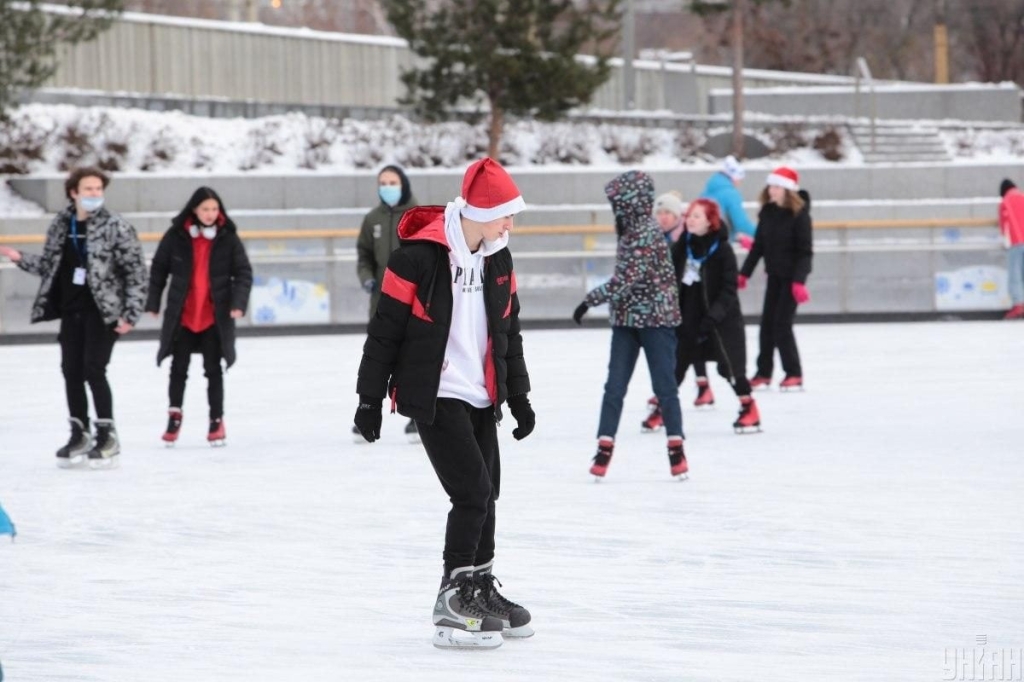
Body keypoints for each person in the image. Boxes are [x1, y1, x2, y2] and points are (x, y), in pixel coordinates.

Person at [353, 157, 536, 650]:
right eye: (505, 214)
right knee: (472, 492)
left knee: (488, 493)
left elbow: (507, 332)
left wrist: (518, 396)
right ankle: (453, 599)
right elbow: (384, 331)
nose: (510, 224)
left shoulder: (499, 258)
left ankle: (478, 586)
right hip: (435, 392)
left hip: (481, 393)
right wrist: (369, 399)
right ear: (481, 209)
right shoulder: (416, 258)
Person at [0, 167, 147, 469]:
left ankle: (107, 434)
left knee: (95, 369)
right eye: (88, 189)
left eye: (98, 189)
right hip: (72, 309)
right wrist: (18, 257)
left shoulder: (115, 225)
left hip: (103, 311)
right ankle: (79, 432)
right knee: (71, 370)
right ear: (74, 192)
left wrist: (131, 313)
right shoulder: (61, 224)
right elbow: (50, 265)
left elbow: (135, 272)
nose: (94, 194)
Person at [572, 170, 687, 480]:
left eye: (617, 203)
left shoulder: (645, 232)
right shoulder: (630, 228)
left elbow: (626, 279)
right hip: (626, 321)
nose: (614, 209)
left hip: (655, 321)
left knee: (664, 387)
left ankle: (676, 450)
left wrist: (590, 299)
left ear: (630, 204)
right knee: (614, 386)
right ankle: (604, 447)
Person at [146, 187, 253, 447]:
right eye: (205, 209)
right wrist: (153, 301)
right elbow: (159, 269)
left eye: (214, 209)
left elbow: (243, 273)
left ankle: (216, 421)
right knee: (178, 369)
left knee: (213, 370)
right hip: (183, 316)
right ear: (194, 209)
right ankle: (174, 415)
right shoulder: (176, 236)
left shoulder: (228, 237)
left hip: (213, 317)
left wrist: (238, 303)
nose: (210, 214)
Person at [671, 199, 761, 433]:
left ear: (710, 222)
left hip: (720, 321)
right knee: (675, 367)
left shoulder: (722, 250)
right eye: (689, 215)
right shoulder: (682, 245)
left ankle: (748, 407)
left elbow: (728, 289)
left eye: (697, 216)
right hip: (688, 317)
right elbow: (667, 278)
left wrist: (713, 317)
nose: (690, 219)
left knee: (730, 368)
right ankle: (662, 409)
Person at [355, 164, 419, 443]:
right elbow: (364, 255)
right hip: (381, 302)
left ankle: (418, 416)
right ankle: (368, 411)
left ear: (403, 184)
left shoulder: (418, 216)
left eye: (392, 182)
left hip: (414, 302)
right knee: (376, 359)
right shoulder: (372, 219)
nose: (387, 187)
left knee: (416, 359)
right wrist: (367, 278)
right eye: (383, 182)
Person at [642, 191, 713, 432]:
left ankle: (695, 389)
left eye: (668, 213)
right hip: (666, 304)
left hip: (685, 303)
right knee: (678, 349)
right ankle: (694, 389)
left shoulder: (682, 239)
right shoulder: (656, 238)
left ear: (677, 216)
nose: (662, 217)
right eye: (659, 213)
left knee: (686, 347)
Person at [738, 166, 813, 391]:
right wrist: (744, 273)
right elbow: (759, 246)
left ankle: (794, 372)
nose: (772, 190)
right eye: (771, 185)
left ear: (788, 190)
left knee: (782, 325)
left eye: (778, 186)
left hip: (791, 279)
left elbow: (805, 252)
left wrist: (799, 281)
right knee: (767, 325)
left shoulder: (800, 216)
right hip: (774, 277)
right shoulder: (768, 213)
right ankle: (763, 372)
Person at [998, 178, 1024, 320]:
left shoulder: (1005, 202)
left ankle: (1018, 305)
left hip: (1016, 241)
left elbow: (1004, 224)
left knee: (1016, 275)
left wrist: (1005, 240)